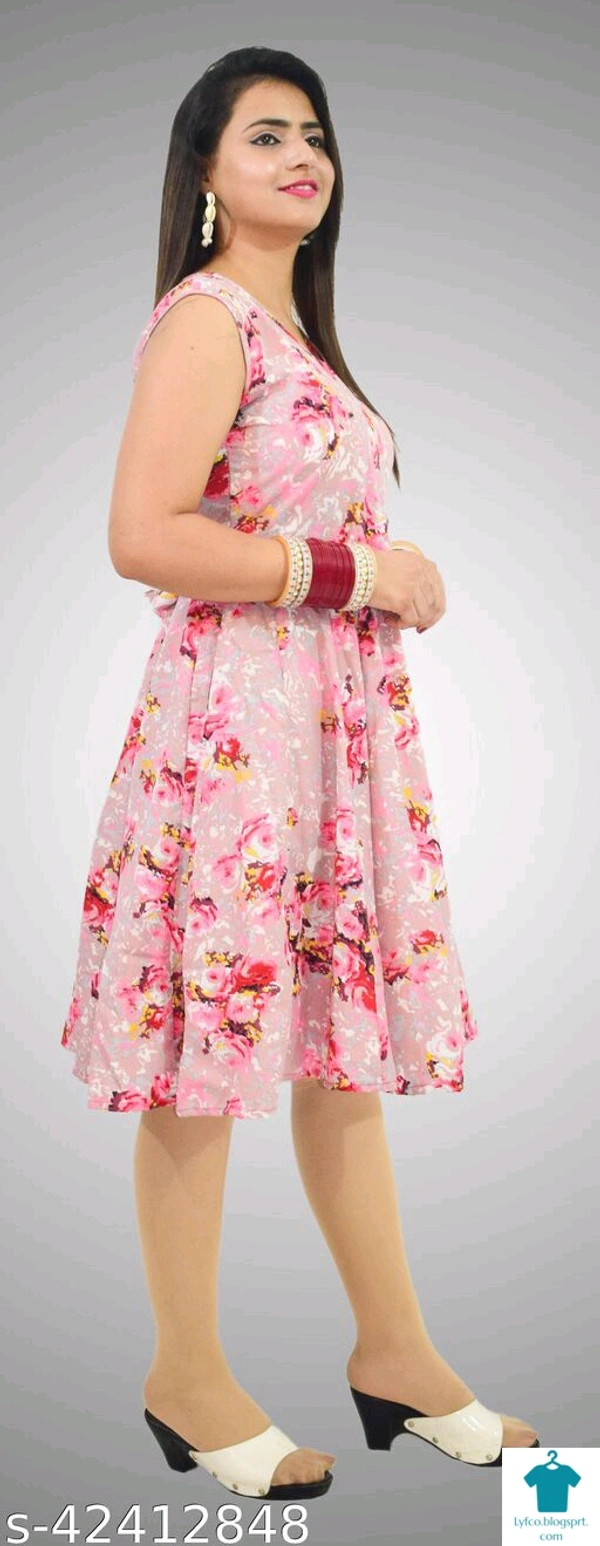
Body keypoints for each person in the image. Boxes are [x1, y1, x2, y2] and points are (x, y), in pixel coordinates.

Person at [60, 45, 539, 1502]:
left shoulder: (296, 337)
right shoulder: (207, 318)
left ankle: (397, 1351)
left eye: (316, 133)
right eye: (266, 133)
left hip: (329, 738)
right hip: (235, 740)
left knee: (338, 1044)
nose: (303, 154)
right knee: (203, 1046)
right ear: (204, 171)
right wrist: (359, 571)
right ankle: (186, 1373)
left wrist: (382, 578)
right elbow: (143, 533)